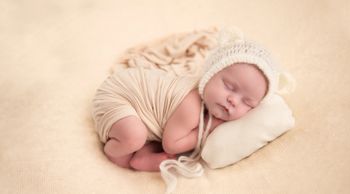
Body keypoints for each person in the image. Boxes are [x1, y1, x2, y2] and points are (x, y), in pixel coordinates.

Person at [92, 29, 276, 172]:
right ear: (209, 75)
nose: (234, 101)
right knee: (134, 136)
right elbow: (171, 144)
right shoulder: (191, 105)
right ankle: (115, 153)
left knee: (149, 136)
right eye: (229, 86)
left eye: (247, 103)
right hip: (118, 94)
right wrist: (208, 129)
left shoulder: (209, 102)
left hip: (141, 104)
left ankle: (140, 157)